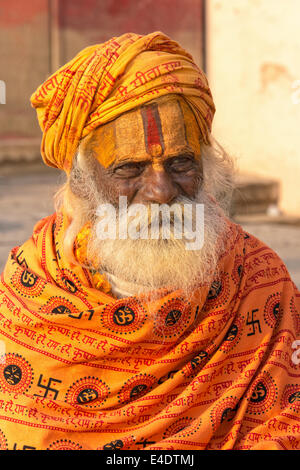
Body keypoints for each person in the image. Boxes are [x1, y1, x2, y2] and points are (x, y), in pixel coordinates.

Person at [0, 32, 299, 451]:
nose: (161, 190)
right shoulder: (31, 289)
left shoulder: (259, 280)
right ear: (84, 181)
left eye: (180, 163)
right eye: (129, 168)